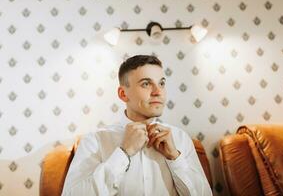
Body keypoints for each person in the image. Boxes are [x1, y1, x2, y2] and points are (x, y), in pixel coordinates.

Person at [62, 55, 212, 196]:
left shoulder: (180, 138)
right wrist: (123, 153)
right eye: (146, 84)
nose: (158, 92)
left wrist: (175, 157)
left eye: (161, 83)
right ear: (123, 94)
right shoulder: (95, 140)